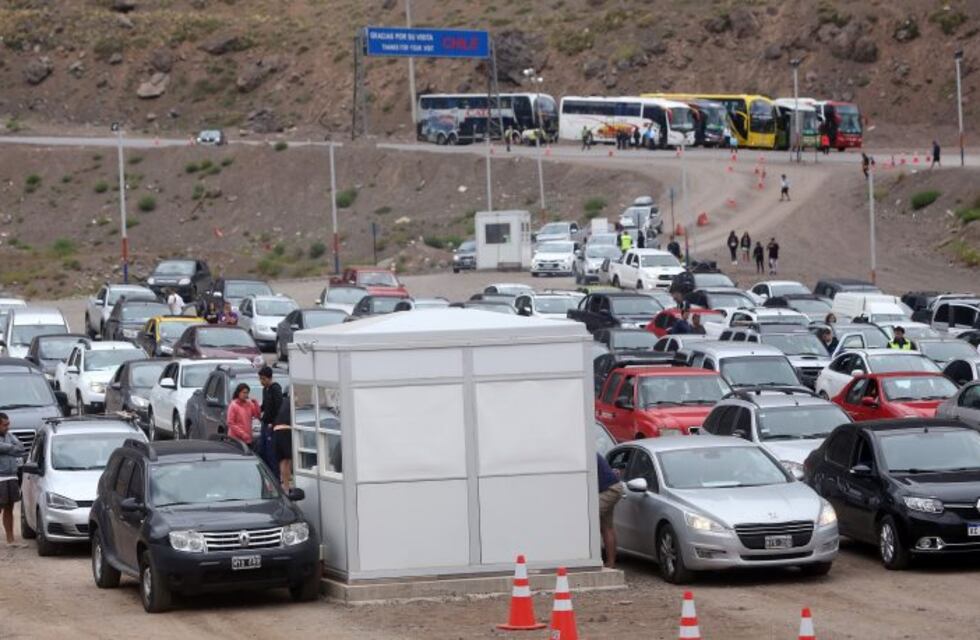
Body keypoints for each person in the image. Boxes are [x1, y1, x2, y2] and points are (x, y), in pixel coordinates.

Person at [0, 413, 25, 545]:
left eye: (8, 424)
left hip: (12, 476)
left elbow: (21, 448)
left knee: (10, 508)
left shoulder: (10, 436)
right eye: (5, 425)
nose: (8, 427)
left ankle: (11, 539)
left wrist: (10, 449)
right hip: (0, 478)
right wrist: (12, 448)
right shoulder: (9, 439)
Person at [597, 452, 624, 568]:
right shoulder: (587, 450)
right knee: (607, 527)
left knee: (588, 519)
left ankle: (595, 560)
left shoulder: (584, 452)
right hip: (611, 488)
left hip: (609, 490)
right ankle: (610, 563)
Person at [258, 366, 283, 478]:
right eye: (260, 379)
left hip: (271, 426)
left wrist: (273, 423)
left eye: (263, 379)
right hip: (265, 424)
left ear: (269, 378)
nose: (262, 382)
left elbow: (278, 407)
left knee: (271, 453)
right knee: (262, 451)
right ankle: (266, 475)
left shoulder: (275, 389)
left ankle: (275, 478)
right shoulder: (265, 390)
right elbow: (264, 406)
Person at [273, 390, 293, 490]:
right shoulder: (292, 403)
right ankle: (287, 485)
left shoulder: (283, 402)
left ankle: (285, 486)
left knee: (282, 461)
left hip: (276, 431)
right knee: (287, 461)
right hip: (285, 430)